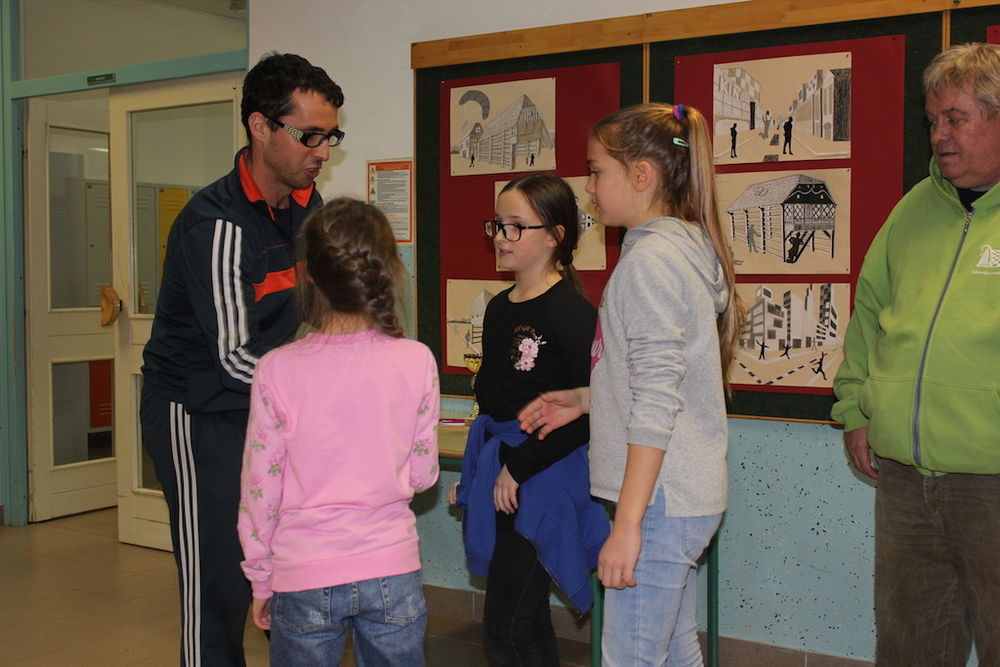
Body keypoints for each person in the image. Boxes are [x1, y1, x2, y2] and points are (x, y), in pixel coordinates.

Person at [519, 103, 744, 666]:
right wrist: (587, 399)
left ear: (641, 175)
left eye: (597, 171)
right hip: (678, 493)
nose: (589, 187)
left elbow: (657, 403)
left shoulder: (651, 263)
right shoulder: (679, 250)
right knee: (673, 648)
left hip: (660, 499)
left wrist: (627, 526)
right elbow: (653, 380)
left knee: (631, 656)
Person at [139, 52, 344, 666]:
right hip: (199, 410)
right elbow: (233, 359)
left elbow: (324, 314)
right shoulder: (217, 223)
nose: (322, 151)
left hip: (270, 402)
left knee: (285, 559)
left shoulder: (309, 209)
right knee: (220, 576)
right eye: (309, 135)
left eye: (330, 137)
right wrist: (318, 400)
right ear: (260, 126)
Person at [832, 42, 1000, 666]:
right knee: (910, 648)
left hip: (992, 480)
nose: (939, 136)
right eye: (933, 121)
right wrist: (856, 410)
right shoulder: (912, 211)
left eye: (956, 118)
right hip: (904, 480)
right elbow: (868, 314)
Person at [237, 197, 439, 665]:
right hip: (392, 567)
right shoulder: (416, 360)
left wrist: (261, 579)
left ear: (307, 274)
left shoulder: (276, 369)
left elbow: (259, 491)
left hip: (303, 572)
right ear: (388, 270)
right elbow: (423, 475)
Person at [449, 173, 609, 665]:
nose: (501, 237)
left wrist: (518, 468)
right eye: (497, 224)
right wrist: (478, 473)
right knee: (528, 617)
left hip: (545, 475)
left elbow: (590, 413)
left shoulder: (572, 313)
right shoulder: (499, 307)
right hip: (505, 471)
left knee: (506, 630)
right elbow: (496, 400)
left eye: (515, 226)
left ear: (555, 235)